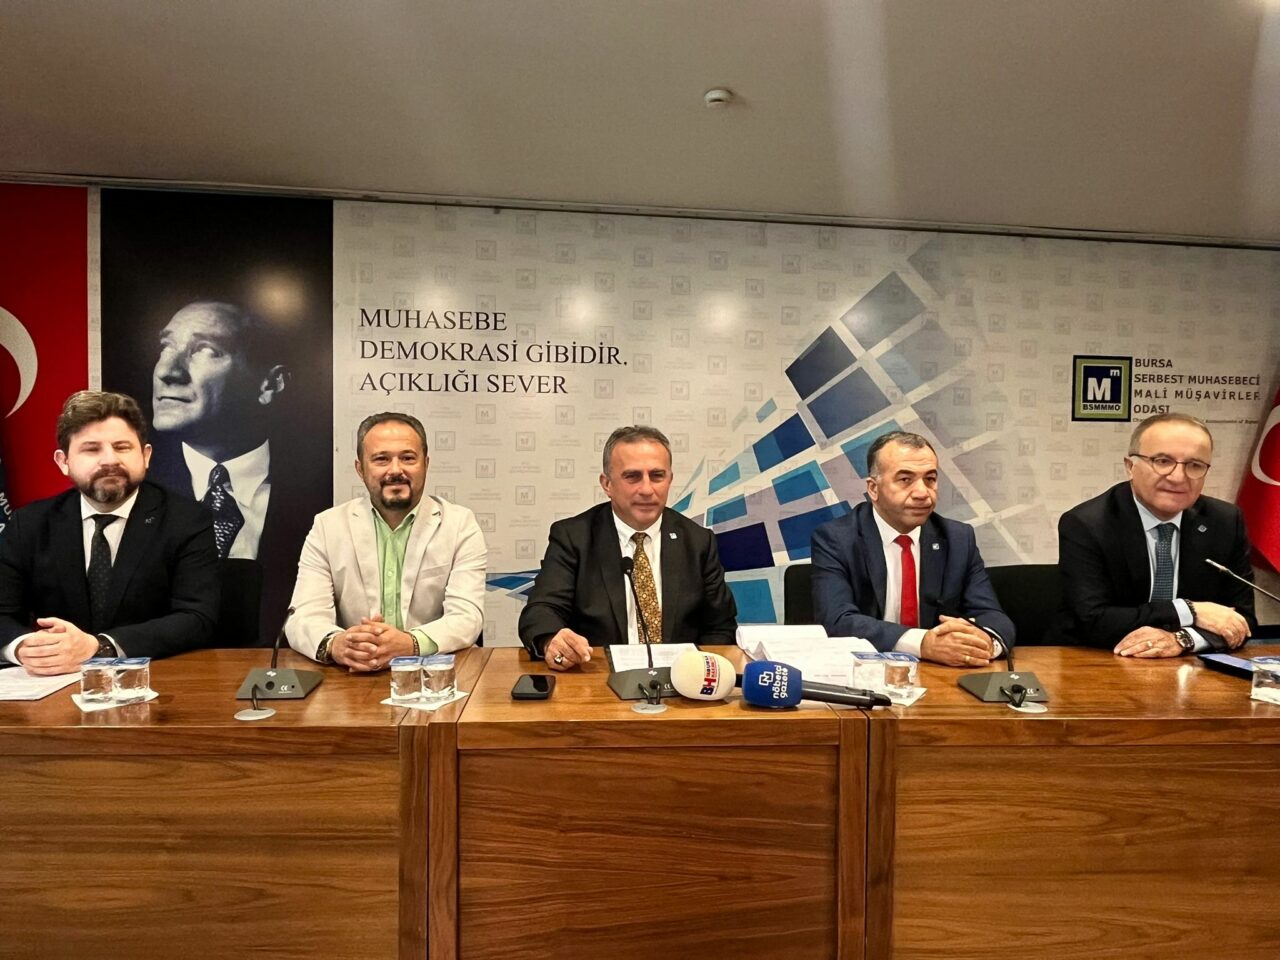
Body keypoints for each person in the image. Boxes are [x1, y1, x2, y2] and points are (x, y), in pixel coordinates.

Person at [0, 391, 219, 674]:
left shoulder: (186, 520)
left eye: (122, 447)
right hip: (55, 680)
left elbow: (197, 617)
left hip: (155, 679)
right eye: (91, 449)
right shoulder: (29, 524)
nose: (109, 460)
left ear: (146, 456)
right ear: (63, 461)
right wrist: (23, 647)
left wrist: (99, 646)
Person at [148, 300, 327, 641]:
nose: (167, 371)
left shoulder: (320, 501)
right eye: (166, 346)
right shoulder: (137, 494)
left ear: (270, 385)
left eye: (206, 350)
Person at [519, 424, 738, 671]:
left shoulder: (697, 542)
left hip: (680, 681)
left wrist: (698, 673)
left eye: (657, 476)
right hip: (598, 679)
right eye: (632, 476)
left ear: (670, 480)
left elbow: (721, 627)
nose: (646, 489)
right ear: (607, 484)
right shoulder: (573, 537)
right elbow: (541, 610)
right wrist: (552, 640)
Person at [286, 412, 485, 670]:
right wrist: (338, 644)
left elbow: (467, 616)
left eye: (408, 458)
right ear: (360, 469)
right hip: (354, 674)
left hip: (436, 673)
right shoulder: (328, 526)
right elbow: (302, 615)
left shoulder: (460, 524)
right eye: (381, 459)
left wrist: (410, 643)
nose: (395, 470)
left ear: (426, 464)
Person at [1052, 412, 1255, 657]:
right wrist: (1188, 611)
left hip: (1189, 665)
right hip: (1099, 659)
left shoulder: (1225, 521)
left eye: (1195, 465)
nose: (1178, 477)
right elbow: (1093, 620)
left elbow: (1241, 619)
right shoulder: (1087, 524)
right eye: (1162, 461)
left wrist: (1184, 639)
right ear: (1130, 467)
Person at [810, 430, 1014, 667]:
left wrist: (984, 643)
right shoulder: (837, 539)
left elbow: (993, 617)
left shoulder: (958, 539)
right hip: (866, 672)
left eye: (930, 479)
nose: (922, 493)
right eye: (905, 479)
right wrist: (922, 643)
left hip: (941, 674)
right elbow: (837, 621)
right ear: (873, 489)